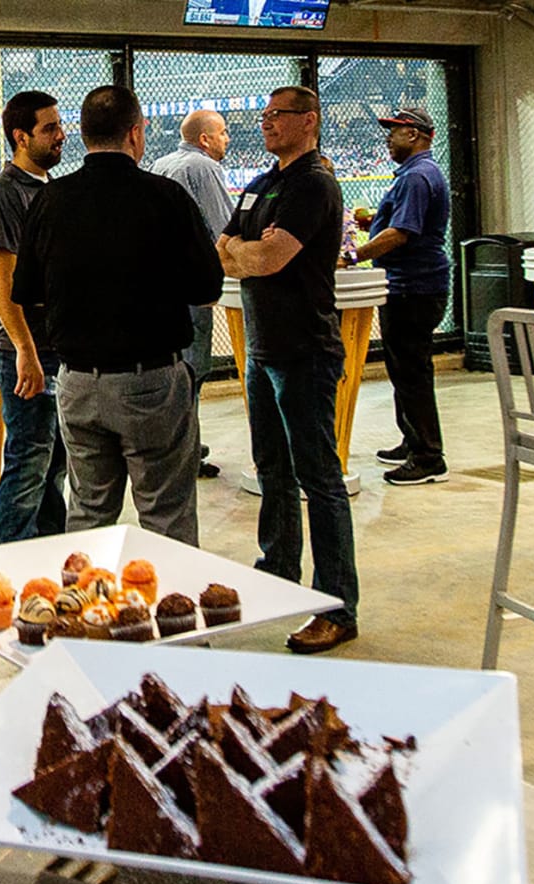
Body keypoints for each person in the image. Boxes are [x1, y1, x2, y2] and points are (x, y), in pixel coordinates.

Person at [13, 86, 221, 546]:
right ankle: (173, 614)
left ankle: (84, 614)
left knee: (86, 514)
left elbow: (26, 292)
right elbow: (208, 288)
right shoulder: (166, 197)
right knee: (166, 517)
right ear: (135, 133)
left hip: (79, 382)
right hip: (151, 380)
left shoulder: (50, 201)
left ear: (84, 135)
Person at [219, 85, 358, 655]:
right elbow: (221, 248)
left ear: (310, 121)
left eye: (278, 115)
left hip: (304, 351)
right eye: (265, 114)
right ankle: (275, 574)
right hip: (263, 351)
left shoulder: (314, 185)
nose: (267, 123)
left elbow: (268, 258)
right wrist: (247, 252)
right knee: (271, 471)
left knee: (319, 479)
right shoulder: (261, 184)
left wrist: (248, 255)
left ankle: (337, 606)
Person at [0, 90, 70, 542]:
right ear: (21, 137)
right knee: (29, 457)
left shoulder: (52, 190)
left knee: (57, 462)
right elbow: (3, 282)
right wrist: (25, 351)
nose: (61, 135)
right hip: (28, 349)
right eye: (50, 128)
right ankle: (14, 555)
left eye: (60, 125)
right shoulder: (3, 196)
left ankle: (51, 552)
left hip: (60, 347)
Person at [356, 105, 453, 487]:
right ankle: (413, 439)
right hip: (412, 283)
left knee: (411, 371)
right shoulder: (416, 174)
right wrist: (374, 224)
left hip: (414, 286)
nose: (388, 138)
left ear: (413, 135)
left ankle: (428, 456)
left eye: (394, 131)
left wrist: (352, 256)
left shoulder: (417, 177)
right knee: (403, 368)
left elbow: (402, 233)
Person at [148, 108, 232, 480]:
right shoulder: (204, 168)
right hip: (189, 287)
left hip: (157, 288)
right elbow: (223, 229)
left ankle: (182, 446)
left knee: (169, 372)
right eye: (223, 133)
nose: (227, 139)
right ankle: (185, 454)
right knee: (191, 372)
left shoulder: (159, 163)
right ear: (205, 139)